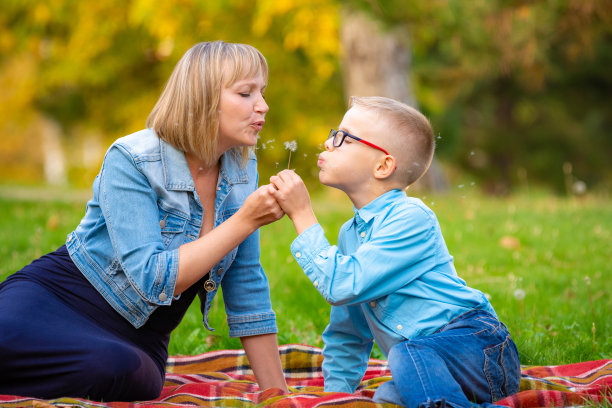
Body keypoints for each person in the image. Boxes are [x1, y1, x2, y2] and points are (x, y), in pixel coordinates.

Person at [0, 41, 288, 401]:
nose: (263, 105)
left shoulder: (243, 171)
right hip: (58, 299)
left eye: (262, 92)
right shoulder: (133, 159)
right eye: (246, 93)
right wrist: (244, 221)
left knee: (122, 372)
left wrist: (278, 395)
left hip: (138, 337)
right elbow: (150, 279)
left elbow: (246, 284)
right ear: (203, 98)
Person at [269, 96, 521, 408]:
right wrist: (336, 398)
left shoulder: (412, 218)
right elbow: (348, 335)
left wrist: (303, 215)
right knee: (386, 397)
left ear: (383, 165)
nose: (327, 142)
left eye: (343, 138)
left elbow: (341, 284)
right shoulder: (351, 235)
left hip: (479, 348)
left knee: (406, 354)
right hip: (433, 363)